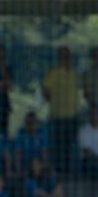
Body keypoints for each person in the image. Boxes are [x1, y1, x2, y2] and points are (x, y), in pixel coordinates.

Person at [42, 46, 82, 174]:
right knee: (59, 146)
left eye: (68, 56)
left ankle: (72, 172)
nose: (66, 58)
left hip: (73, 116)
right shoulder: (53, 73)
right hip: (58, 116)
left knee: (73, 145)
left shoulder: (74, 74)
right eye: (63, 56)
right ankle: (59, 173)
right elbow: (45, 92)